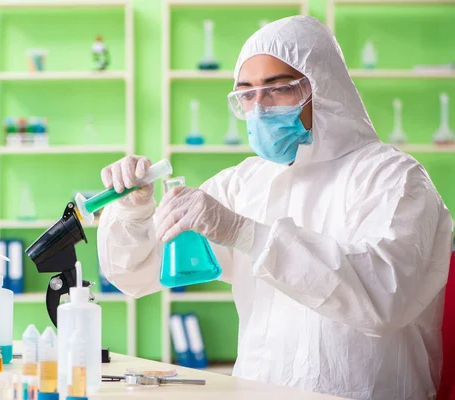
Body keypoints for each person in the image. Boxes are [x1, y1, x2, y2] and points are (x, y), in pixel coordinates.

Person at [97, 15, 453, 400]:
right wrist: (134, 212)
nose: (260, 108)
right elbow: (136, 274)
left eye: (278, 89)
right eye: (246, 95)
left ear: (323, 88)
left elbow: (385, 298)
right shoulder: (243, 183)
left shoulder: (394, 179)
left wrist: (247, 234)